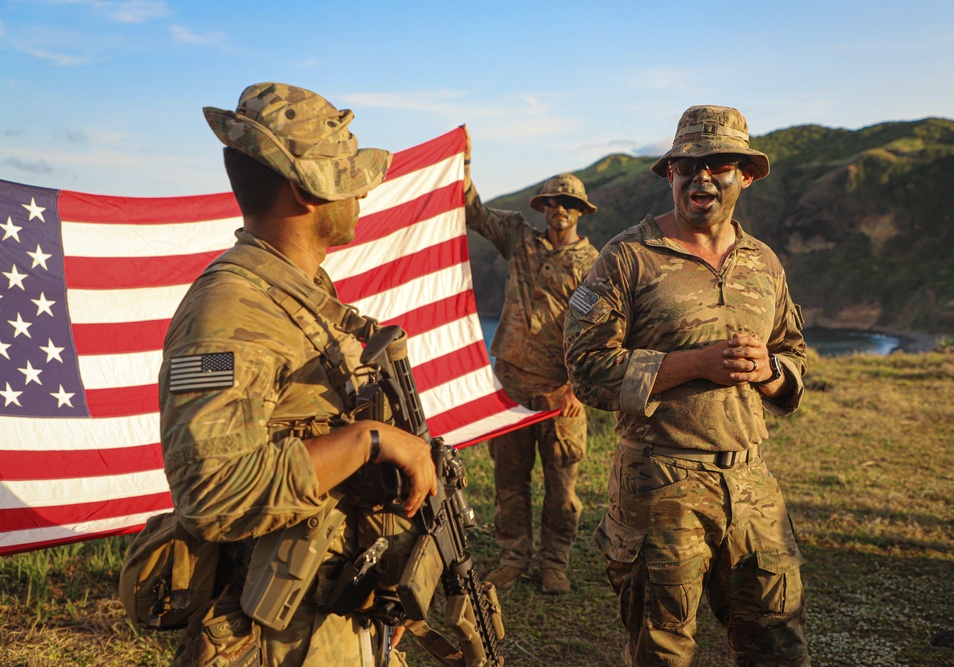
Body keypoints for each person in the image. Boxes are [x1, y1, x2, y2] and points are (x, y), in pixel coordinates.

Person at [157, 82, 436, 667]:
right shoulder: (228, 314)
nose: (362, 191)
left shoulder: (301, 295)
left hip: (331, 613)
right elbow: (212, 493)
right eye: (348, 175)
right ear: (307, 187)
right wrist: (371, 440)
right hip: (275, 638)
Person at [564, 105, 810, 666]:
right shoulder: (626, 258)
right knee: (662, 650)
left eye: (719, 163)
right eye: (687, 164)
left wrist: (769, 372)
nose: (702, 176)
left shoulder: (763, 262)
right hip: (661, 484)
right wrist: (695, 363)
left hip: (752, 483)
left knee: (778, 646)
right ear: (670, 174)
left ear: (744, 175)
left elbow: (793, 353)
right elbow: (587, 370)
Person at [463, 135, 599, 595]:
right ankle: (513, 558)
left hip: (561, 395)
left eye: (568, 203)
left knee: (561, 489)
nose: (559, 209)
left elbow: (603, 332)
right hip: (511, 386)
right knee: (509, 481)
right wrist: (462, 163)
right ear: (543, 207)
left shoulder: (593, 264)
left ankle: (554, 563)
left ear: (580, 211)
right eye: (553, 202)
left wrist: (576, 389)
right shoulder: (520, 238)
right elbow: (475, 213)